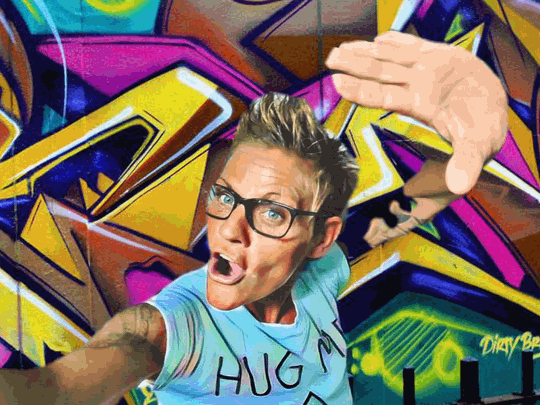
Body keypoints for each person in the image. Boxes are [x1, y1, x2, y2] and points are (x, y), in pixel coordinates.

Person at [0, 31, 507, 404]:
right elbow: (66, 383)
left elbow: (413, 202)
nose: (228, 231)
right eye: (225, 198)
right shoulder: (183, 326)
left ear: (321, 238)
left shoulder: (321, 273)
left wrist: (481, 137)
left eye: (271, 213)